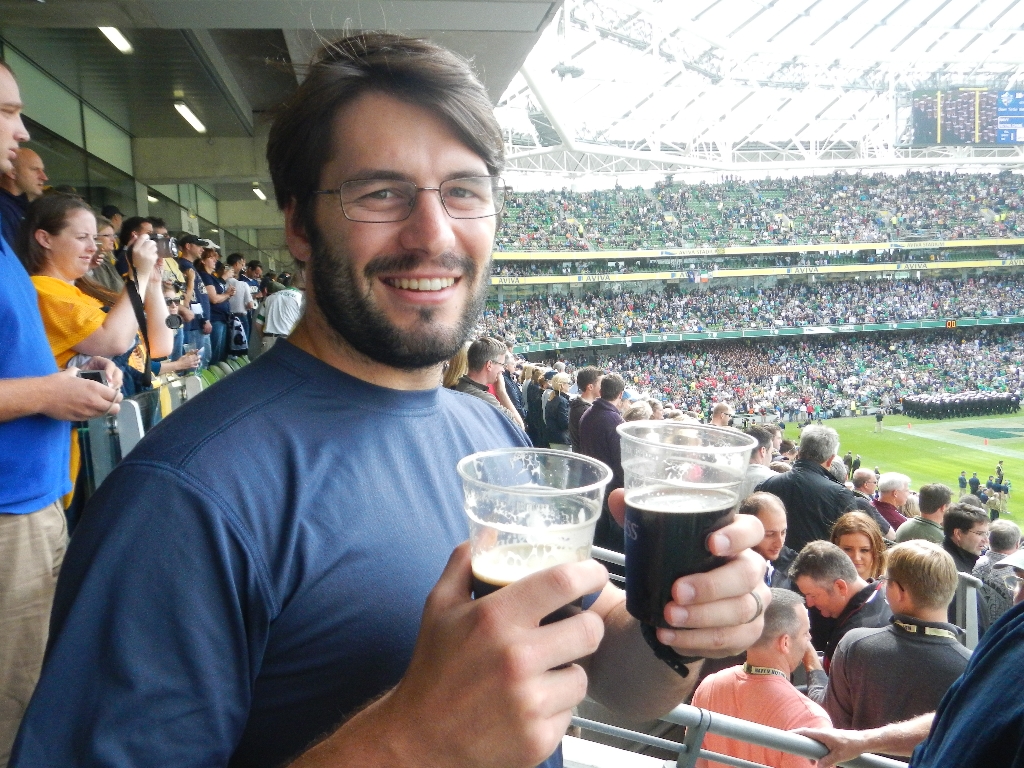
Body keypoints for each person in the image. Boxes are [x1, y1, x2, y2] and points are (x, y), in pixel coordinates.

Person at [10, 36, 770, 768]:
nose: (433, 234)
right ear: (299, 224)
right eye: (381, 193)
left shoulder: (487, 428)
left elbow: (618, 677)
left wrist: (681, 625)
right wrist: (411, 741)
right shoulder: (182, 499)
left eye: (464, 191)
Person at [0, 57, 125, 768]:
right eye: (7, 113)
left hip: (35, 498)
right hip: (8, 512)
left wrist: (61, 379)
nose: (22, 132)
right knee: (15, 703)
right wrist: (49, 394)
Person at [17, 193, 171, 506]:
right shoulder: (43, 290)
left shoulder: (85, 293)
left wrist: (152, 281)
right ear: (45, 239)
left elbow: (160, 346)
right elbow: (113, 341)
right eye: (82, 237)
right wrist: (138, 276)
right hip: (77, 440)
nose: (93, 247)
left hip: (106, 426)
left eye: (95, 238)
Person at [796, 602, 1024, 767]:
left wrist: (812, 663)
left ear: (896, 591)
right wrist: (861, 740)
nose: (1017, 594)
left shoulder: (856, 644)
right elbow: (961, 716)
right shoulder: (995, 642)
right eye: (1019, 579)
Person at [820, 541, 970, 733]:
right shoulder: (973, 668)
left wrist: (813, 667)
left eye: (886, 580)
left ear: (900, 592)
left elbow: (829, 724)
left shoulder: (855, 645)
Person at [692, 589, 830, 768]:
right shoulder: (809, 719)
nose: (809, 638)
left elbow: (695, 761)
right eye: (805, 633)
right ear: (785, 643)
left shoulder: (709, 686)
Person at [755, 425, 889, 552]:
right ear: (830, 460)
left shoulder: (766, 486)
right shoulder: (839, 494)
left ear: (799, 453)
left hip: (773, 565)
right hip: (820, 565)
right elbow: (852, 541)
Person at [790, 541, 891, 672]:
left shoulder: (854, 637)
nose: (809, 603)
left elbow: (831, 684)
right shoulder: (886, 593)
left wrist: (808, 652)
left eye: (813, 595)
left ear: (840, 586)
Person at [578, 372, 627, 553]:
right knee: (611, 542)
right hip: (611, 490)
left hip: (593, 483)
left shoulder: (587, 413)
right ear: (620, 394)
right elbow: (621, 462)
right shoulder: (615, 421)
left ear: (601, 390)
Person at [453, 336, 522, 427]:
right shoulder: (482, 398)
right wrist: (502, 393)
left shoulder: (462, 387)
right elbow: (519, 427)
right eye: (502, 365)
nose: (503, 370)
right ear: (489, 365)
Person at [740, 492, 796, 589]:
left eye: (783, 532)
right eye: (770, 534)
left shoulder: (792, 565)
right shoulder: (733, 571)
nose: (779, 543)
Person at [0, 147, 46, 247]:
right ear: (12, 172)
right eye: (35, 169)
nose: (44, 177)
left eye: (42, 170)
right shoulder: (3, 210)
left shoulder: (25, 208)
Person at [829, 512, 885, 581]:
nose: (856, 558)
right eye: (848, 549)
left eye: (864, 550)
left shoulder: (890, 585)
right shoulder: (821, 585)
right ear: (835, 546)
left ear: (877, 549)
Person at [737, 425, 777, 502]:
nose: (771, 458)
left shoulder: (728, 478)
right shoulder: (775, 479)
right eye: (771, 452)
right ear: (763, 451)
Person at [568, 366, 602, 451]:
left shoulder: (578, 406)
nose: (604, 387)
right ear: (590, 387)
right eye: (601, 384)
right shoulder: (585, 411)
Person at [543, 371, 572, 450]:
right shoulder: (562, 401)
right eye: (568, 383)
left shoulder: (552, 398)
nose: (570, 385)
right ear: (562, 385)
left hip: (553, 437)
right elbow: (564, 423)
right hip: (562, 439)